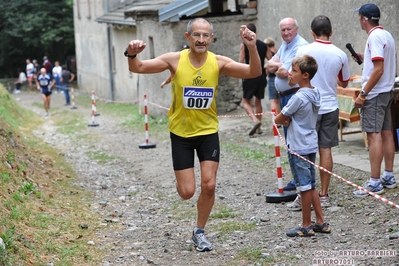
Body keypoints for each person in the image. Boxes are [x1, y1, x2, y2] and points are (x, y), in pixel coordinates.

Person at [126, 18, 261, 252]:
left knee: (209, 185)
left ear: (211, 38)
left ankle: (199, 231)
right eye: (196, 35)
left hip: (208, 131)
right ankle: (185, 186)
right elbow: (138, 67)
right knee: (187, 192)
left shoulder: (218, 62)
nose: (201, 39)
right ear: (188, 38)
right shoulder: (174, 60)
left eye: (205, 35)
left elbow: (254, 72)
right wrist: (131, 53)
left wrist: (251, 47)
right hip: (181, 133)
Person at [286, 15, 351, 210]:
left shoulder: (303, 50)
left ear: (312, 33)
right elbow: (344, 82)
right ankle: (323, 194)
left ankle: (303, 194)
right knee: (325, 149)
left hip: (307, 105)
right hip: (330, 105)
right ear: (331, 32)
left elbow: (293, 75)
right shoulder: (340, 54)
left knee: (303, 150)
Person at [274, 54, 330, 237]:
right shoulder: (315, 92)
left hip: (298, 146)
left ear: (305, 75)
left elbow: (279, 118)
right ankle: (320, 222)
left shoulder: (297, 98)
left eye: (294, 71)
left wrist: (284, 119)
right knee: (311, 185)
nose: (290, 74)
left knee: (304, 187)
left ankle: (306, 225)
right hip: (311, 143)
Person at [352, 4, 397, 197]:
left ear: (364, 19)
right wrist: (366, 58)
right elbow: (380, 64)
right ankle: (388, 176)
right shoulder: (386, 35)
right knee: (386, 133)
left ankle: (375, 182)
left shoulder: (374, 37)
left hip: (375, 93)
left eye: (360, 17)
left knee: (374, 135)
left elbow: (378, 69)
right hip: (386, 91)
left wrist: (363, 94)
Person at [265, 17, 308, 191]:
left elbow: (286, 73)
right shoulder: (285, 45)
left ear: (296, 29)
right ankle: (298, 179)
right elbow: (269, 65)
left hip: (294, 95)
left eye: (289, 29)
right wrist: (279, 66)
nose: (286, 33)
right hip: (285, 96)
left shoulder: (301, 46)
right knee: (289, 140)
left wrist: (279, 67)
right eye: (283, 30)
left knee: (296, 140)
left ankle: (302, 181)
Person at [238, 23, 271, 136]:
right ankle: (259, 128)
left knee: (245, 101)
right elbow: (270, 61)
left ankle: (254, 120)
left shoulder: (244, 45)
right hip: (261, 76)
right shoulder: (263, 45)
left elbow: (241, 62)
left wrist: (241, 74)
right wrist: (265, 72)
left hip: (249, 75)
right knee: (258, 101)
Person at [264, 37, 280, 116]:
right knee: (279, 100)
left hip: (272, 78)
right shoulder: (279, 51)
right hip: (280, 77)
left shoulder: (269, 53)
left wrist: (264, 75)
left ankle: (275, 121)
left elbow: (269, 67)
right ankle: (280, 119)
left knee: (273, 100)